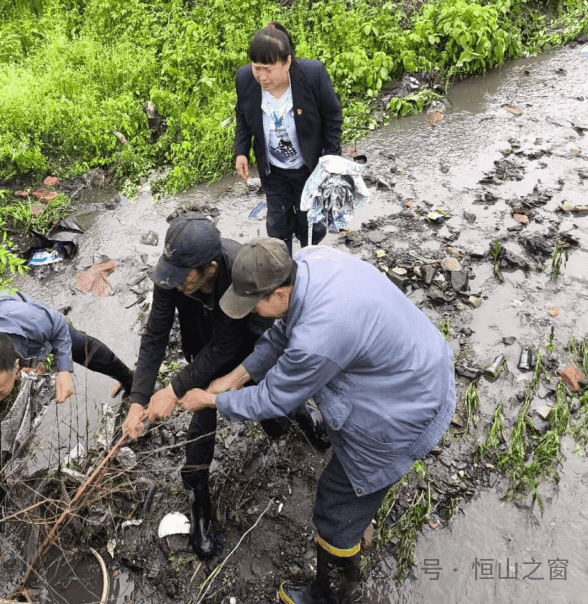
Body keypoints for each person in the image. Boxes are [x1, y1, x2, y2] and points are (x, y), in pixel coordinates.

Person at [181, 239, 455, 603]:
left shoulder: (318, 336)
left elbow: (274, 398)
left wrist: (213, 399)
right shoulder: (311, 260)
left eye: (256, 303)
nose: (254, 312)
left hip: (405, 410)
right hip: (416, 363)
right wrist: (235, 378)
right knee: (347, 482)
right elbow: (281, 333)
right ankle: (361, 521)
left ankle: (332, 594)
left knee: (335, 508)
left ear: (280, 290)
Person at [121, 213, 300, 560]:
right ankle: (198, 491)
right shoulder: (172, 274)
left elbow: (226, 345)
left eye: (183, 278)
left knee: (272, 408)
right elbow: (156, 335)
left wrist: (171, 390)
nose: (173, 283)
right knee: (201, 402)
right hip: (201, 342)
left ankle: (299, 415)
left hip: (246, 342)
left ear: (211, 268)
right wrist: (139, 399)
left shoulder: (239, 271)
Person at [0, 287, 133, 565]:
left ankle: (131, 380)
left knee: (80, 344)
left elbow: (58, 325)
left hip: (6, 309)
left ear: (15, 365)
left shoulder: (32, 322)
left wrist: (64, 369)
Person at [234, 22, 343, 254]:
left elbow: (333, 116)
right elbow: (242, 115)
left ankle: (309, 263)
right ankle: (285, 273)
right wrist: (241, 150)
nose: (261, 77)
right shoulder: (245, 78)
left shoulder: (312, 75)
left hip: (308, 167)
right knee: (277, 228)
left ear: (287, 62)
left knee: (311, 226)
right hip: (274, 170)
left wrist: (332, 157)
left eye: (268, 69)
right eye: (257, 67)